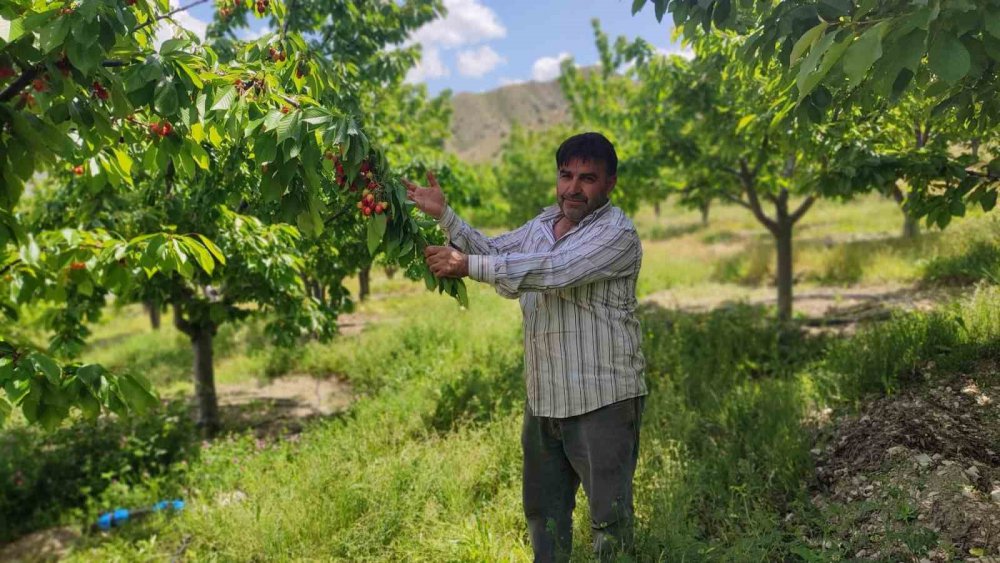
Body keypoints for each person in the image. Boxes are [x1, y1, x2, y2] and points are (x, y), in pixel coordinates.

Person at [404, 132, 646, 562]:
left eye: (587, 178)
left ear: (610, 184)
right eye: (566, 175)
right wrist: (447, 217)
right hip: (545, 400)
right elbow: (496, 251)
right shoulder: (541, 225)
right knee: (543, 514)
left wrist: (468, 266)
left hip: (602, 401)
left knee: (610, 522)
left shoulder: (617, 234)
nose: (573, 188)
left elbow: (552, 270)